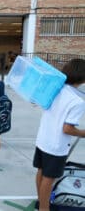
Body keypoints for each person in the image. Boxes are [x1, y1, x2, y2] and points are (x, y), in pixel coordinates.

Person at [33, 59, 85, 210]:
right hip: (56, 146)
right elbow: (67, 129)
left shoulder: (55, 89)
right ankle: (44, 208)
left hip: (43, 138)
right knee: (49, 179)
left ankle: (41, 202)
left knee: (41, 172)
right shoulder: (77, 101)